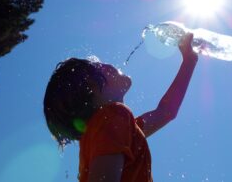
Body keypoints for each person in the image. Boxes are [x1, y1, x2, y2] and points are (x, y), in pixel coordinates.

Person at [43, 33, 198, 182]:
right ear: (91, 87)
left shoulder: (114, 129)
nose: (106, 64)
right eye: (97, 66)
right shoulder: (112, 118)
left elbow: (166, 112)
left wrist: (189, 61)